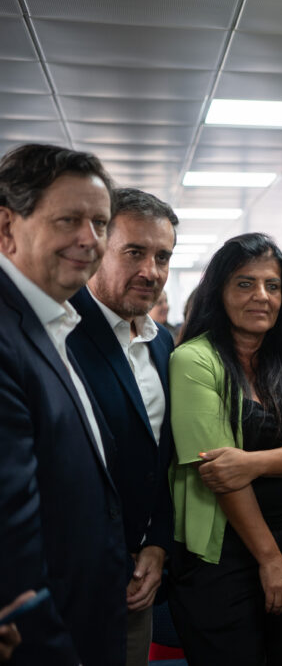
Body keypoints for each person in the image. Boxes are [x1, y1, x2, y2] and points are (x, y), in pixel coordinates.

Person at [168, 233, 282, 665]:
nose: (261, 296)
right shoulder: (194, 360)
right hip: (222, 561)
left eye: (272, 285)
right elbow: (221, 476)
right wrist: (271, 562)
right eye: (245, 283)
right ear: (219, 291)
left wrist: (250, 462)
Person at [0, 143, 128, 665]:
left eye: (100, 223)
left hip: (85, 618)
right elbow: (11, 535)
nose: (89, 240)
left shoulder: (52, 323)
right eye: (69, 220)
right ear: (7, 227)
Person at [67, 188, 178, 666]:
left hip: (136, 579)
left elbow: (166, 462)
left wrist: (157, 545)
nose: (150, 270)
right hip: (66, 583)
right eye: (134, 252)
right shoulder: (60, 335)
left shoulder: (163, 345)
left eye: (162, 257)